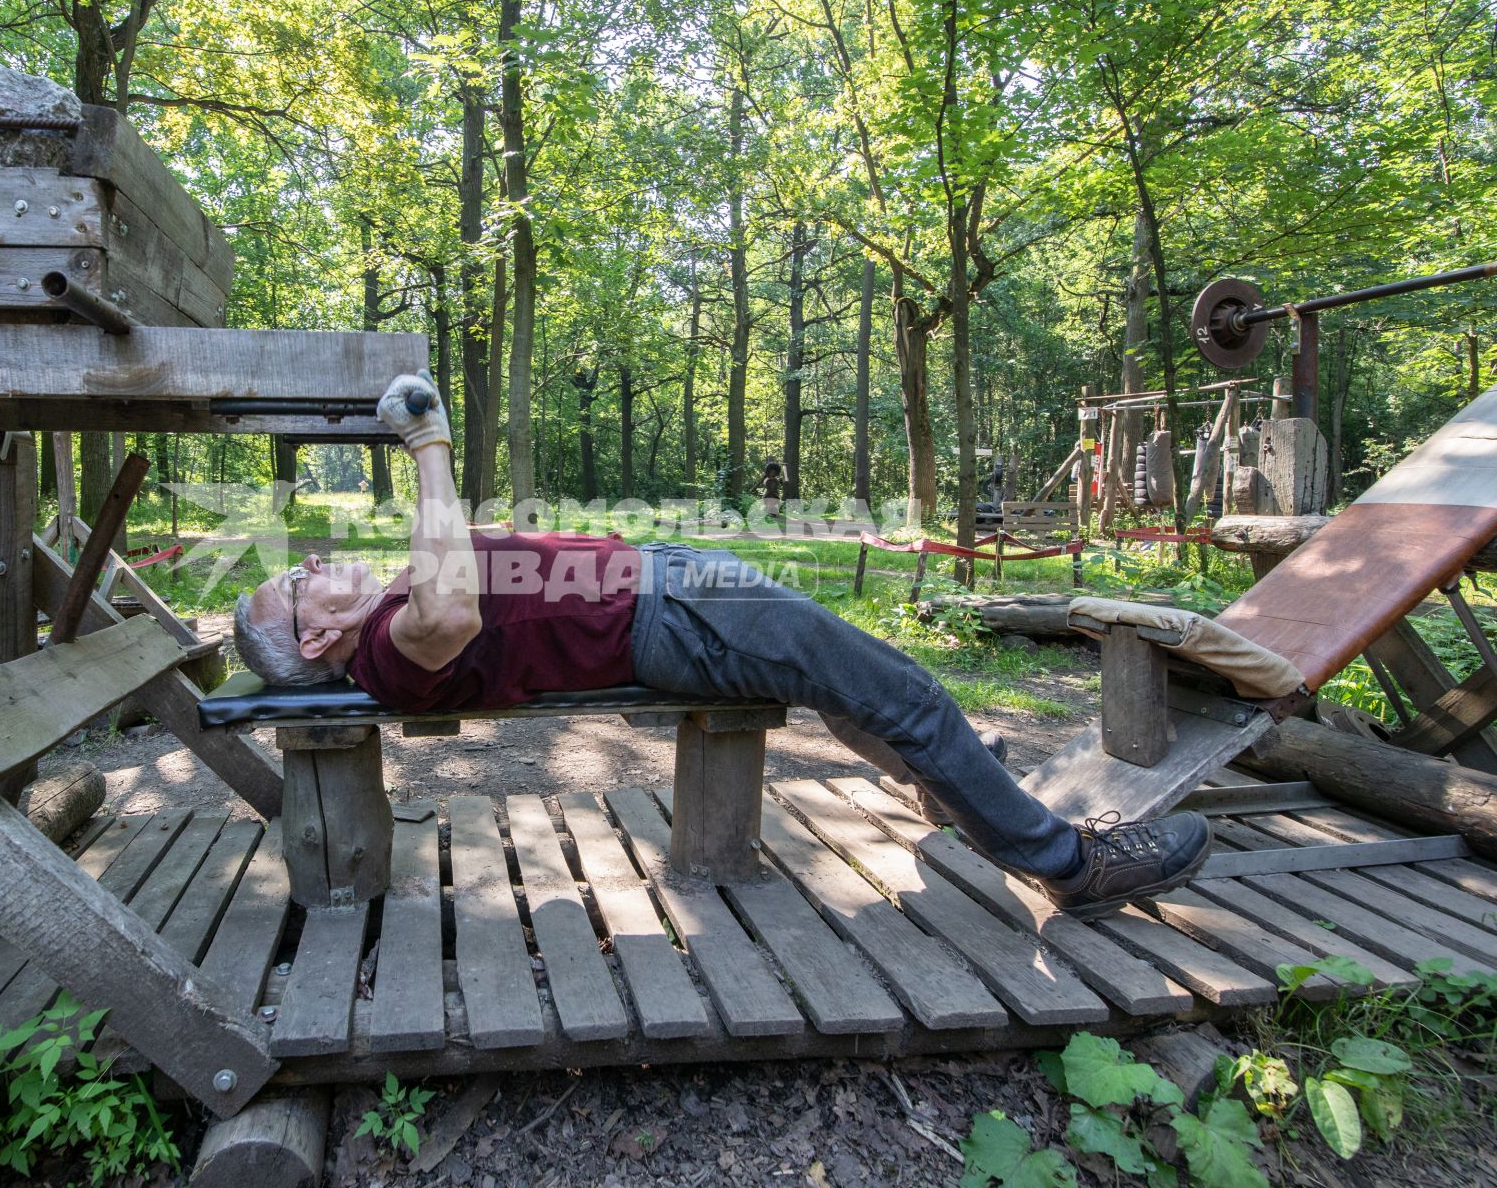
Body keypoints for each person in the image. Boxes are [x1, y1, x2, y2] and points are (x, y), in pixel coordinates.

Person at [231, 374, 1211, 918]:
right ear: (316, 633)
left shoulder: (384, 619)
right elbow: (450, 611)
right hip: (679, 617)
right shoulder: (390, 655)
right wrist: (429, 446)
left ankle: (954, 789)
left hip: (672, 584)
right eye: (298, 578)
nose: (313, 558)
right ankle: (1070, 866)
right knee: (900, 689)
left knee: (857, 684)